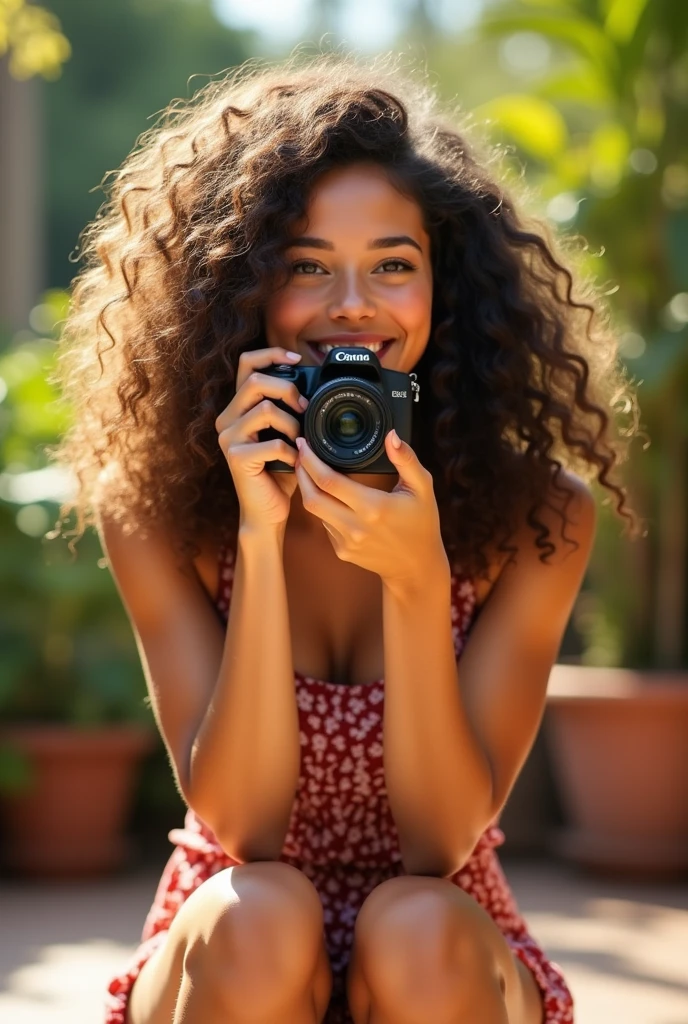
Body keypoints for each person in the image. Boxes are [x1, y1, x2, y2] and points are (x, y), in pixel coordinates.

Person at [49, 53, 642, 1024]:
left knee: (415, 923)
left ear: (445, 290)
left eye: (393, 266)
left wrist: (417, 581)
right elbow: (242, 826)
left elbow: (441, 843)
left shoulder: (534, 514)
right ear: (238, 286)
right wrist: (262, 528)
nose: (352, 305)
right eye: (307, 266)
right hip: (230, 948)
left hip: (440, 952)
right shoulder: (161, 505)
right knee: (261, 912)